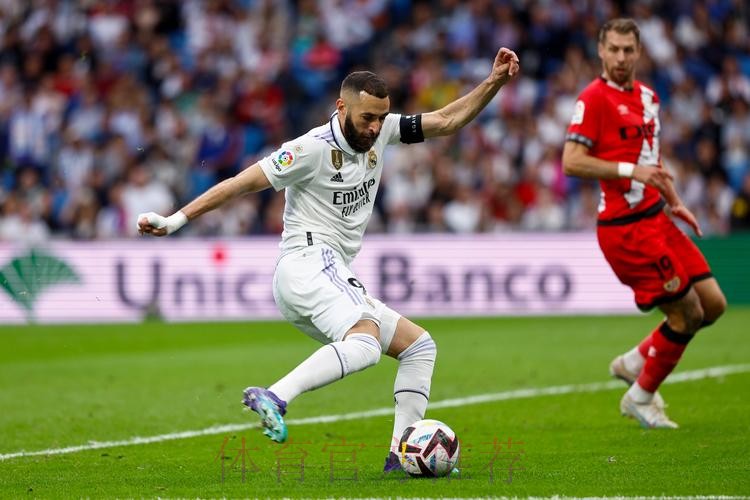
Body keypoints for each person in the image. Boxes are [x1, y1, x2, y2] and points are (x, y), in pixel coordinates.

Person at [137, 48, 520, 468]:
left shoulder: (384, 131)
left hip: (328, 269)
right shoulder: (310, 149)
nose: (375, 127)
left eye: (381, 118)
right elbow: (239, 183)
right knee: (365, 343)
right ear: (341, 107)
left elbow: (447, 120)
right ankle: (274, 396)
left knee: (419, 347)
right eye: (367, 118)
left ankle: (400, 455)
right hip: (307, 261)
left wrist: (494, 82)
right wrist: (175, 220)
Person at [562, 18, 726, 429]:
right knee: (687, 315)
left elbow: (651, 162)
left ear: (639, 52)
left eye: (628, 50)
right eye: (613, 49)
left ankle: (635, 361)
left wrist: (675, 201)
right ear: (601, 51)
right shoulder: (593, 99)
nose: (620, 58)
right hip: (626, 229)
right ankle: (640, 396)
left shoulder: (649, 97)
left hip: (658, 218)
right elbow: (572, 161)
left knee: (713, 305)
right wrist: (629, 171)